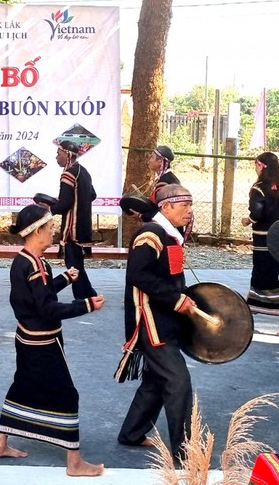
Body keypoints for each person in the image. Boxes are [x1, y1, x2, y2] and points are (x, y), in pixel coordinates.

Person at [0, 204, 106, 477]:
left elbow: (39, 296)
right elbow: (48, 309)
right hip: (42, 343)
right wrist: (86, 305)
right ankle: (74, 463)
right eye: (50, 228)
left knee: (22, 387)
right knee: (67, 394)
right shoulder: (36, 265)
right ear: (37, 231)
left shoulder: (25, 261)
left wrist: (64, 278)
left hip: (26, 338)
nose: (53, 233)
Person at [115, 184, 196, 463]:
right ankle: (185, 452)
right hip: (149, 321)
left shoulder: (169, 235)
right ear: (165, 207)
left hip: (165, 318)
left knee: (156, 381)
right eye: (183, 205)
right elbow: (138, 275)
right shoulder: (150, 235)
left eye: (190, 205)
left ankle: (132, 433)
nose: (189, 211)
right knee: (177, 380)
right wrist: (176, 300)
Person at [240, 152, 279, 336]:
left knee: (267, 278)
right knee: (261, 274)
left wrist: (247, 219)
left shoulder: (258, 188)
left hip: (263, 239)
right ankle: (247, 311)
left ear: (260, 166)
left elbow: (257, 213)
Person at [47, 140, 97, 299]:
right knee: (76, 263)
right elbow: (92, 195)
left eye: (58, 153)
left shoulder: (68, 173)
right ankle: (87, 294)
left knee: (73, 264)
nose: (56, 157)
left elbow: (65, 204)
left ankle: (84, 296)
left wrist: (48, 209)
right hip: (84, 226)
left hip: (72, 228)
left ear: (67, 154)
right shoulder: (84, 171)